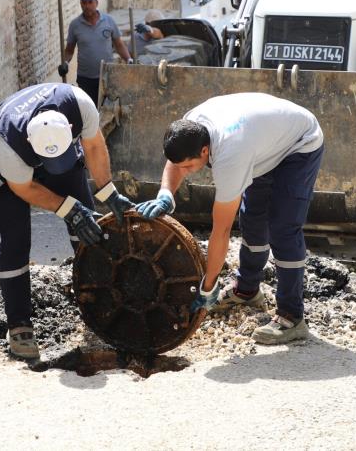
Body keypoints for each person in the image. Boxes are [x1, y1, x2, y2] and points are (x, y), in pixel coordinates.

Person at [136, 93, 324, 345]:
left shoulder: (230, 155)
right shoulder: (191, 125)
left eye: (189, 167)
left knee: (282, 229)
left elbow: (221, 231)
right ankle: (247, 291)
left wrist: (208, 286)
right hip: (262, 143)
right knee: (253, 220)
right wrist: (165, 194)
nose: (185, 173)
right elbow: (175, 162)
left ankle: (292, 317)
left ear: (205, 150)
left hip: (299, 143)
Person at [0, 82, 134, 359]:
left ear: (71, 129)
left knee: (88, 224)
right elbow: (24, 189)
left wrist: (109, 191)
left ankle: (100, 304)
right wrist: (67, 208)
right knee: (16, 241)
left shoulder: (79, 104)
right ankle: (19, 324)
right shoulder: (9, 145)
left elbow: (93, 146)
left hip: (50, 146)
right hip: (9, 170)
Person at [58, 0, 132, 105]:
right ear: (80, 4)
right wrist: (65, 63)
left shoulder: (109, 21)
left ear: (96, 2)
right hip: (85, 78)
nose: (87, 6)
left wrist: (129, 59)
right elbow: (69, 50)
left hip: (107, 76)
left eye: (90, 2)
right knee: (89, 111)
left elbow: (118, 45)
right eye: (84, 2)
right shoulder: (75, 25)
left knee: (108, 109)